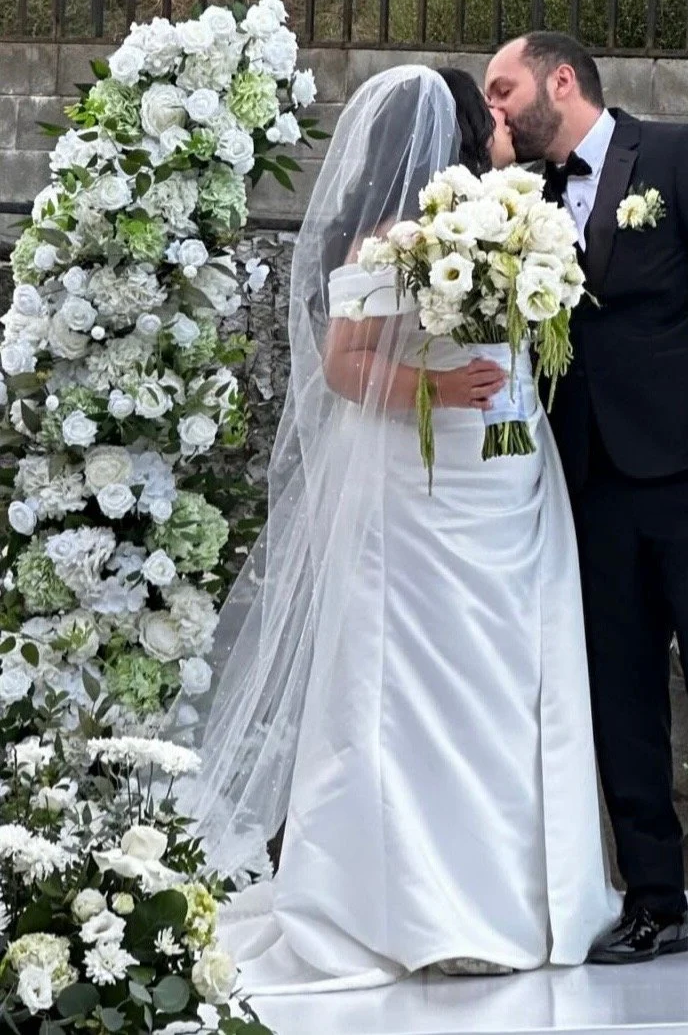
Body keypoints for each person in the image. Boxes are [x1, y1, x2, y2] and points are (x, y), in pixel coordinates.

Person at [161, 62, 621, 997]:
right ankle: (407, 903)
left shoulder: (510, 220)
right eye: (486, 109)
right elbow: (345, 366)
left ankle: (513, 899)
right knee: (417, 687)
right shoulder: (386, 241)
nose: (502, 119)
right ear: (452, 133)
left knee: (503, 683)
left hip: (503, 477)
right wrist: (440, 387)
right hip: (417, 491)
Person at [485, 32, 688, 970]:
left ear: (562, 78)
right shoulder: (520, 200)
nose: (492, 110)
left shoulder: (679, 153)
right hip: (594, 487)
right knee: (620, 698)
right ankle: (655, 904)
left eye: (504, 91)